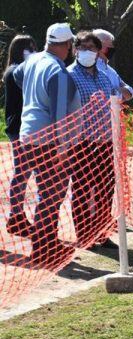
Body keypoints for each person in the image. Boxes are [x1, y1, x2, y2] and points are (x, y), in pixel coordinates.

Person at [13, 22, 80, 263]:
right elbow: (59, 114)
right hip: (49, 140)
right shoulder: (58, 71)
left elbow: (17, 76)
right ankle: (43, 250)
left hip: (27, 134)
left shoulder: (32, 60)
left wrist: (33, 96)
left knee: (46, 193)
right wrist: (62, 147)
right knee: (51, 194)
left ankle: (46, 244)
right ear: (67, 45)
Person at [67, 31, 118, 249]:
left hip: (105, 142)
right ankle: (84, 235)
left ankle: (102, 232)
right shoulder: (69, 75)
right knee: (82, 189)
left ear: (99, 52)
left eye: (93, 48)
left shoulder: (105, 77)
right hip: (81, 143)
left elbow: (114, 100)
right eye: (84, 47)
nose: (88, 52)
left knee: (106, 188)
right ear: (75, 50)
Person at [4, 33, 37, 237]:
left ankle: (17, 216)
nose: (34, 52)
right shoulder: (15, 71)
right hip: (18, 127)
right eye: (31, 48)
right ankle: (15, 216)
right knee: (22, 173)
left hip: (20, 127)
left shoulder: (16, 69)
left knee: (24, 172)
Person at [92, 28, 133, 103]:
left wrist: (116, 92)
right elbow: (106, 96)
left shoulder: (110, 70)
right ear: (99, 46)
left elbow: (130, 91)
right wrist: (120, 93)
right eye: (109, 46)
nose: (112, 48)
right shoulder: (92, 68)